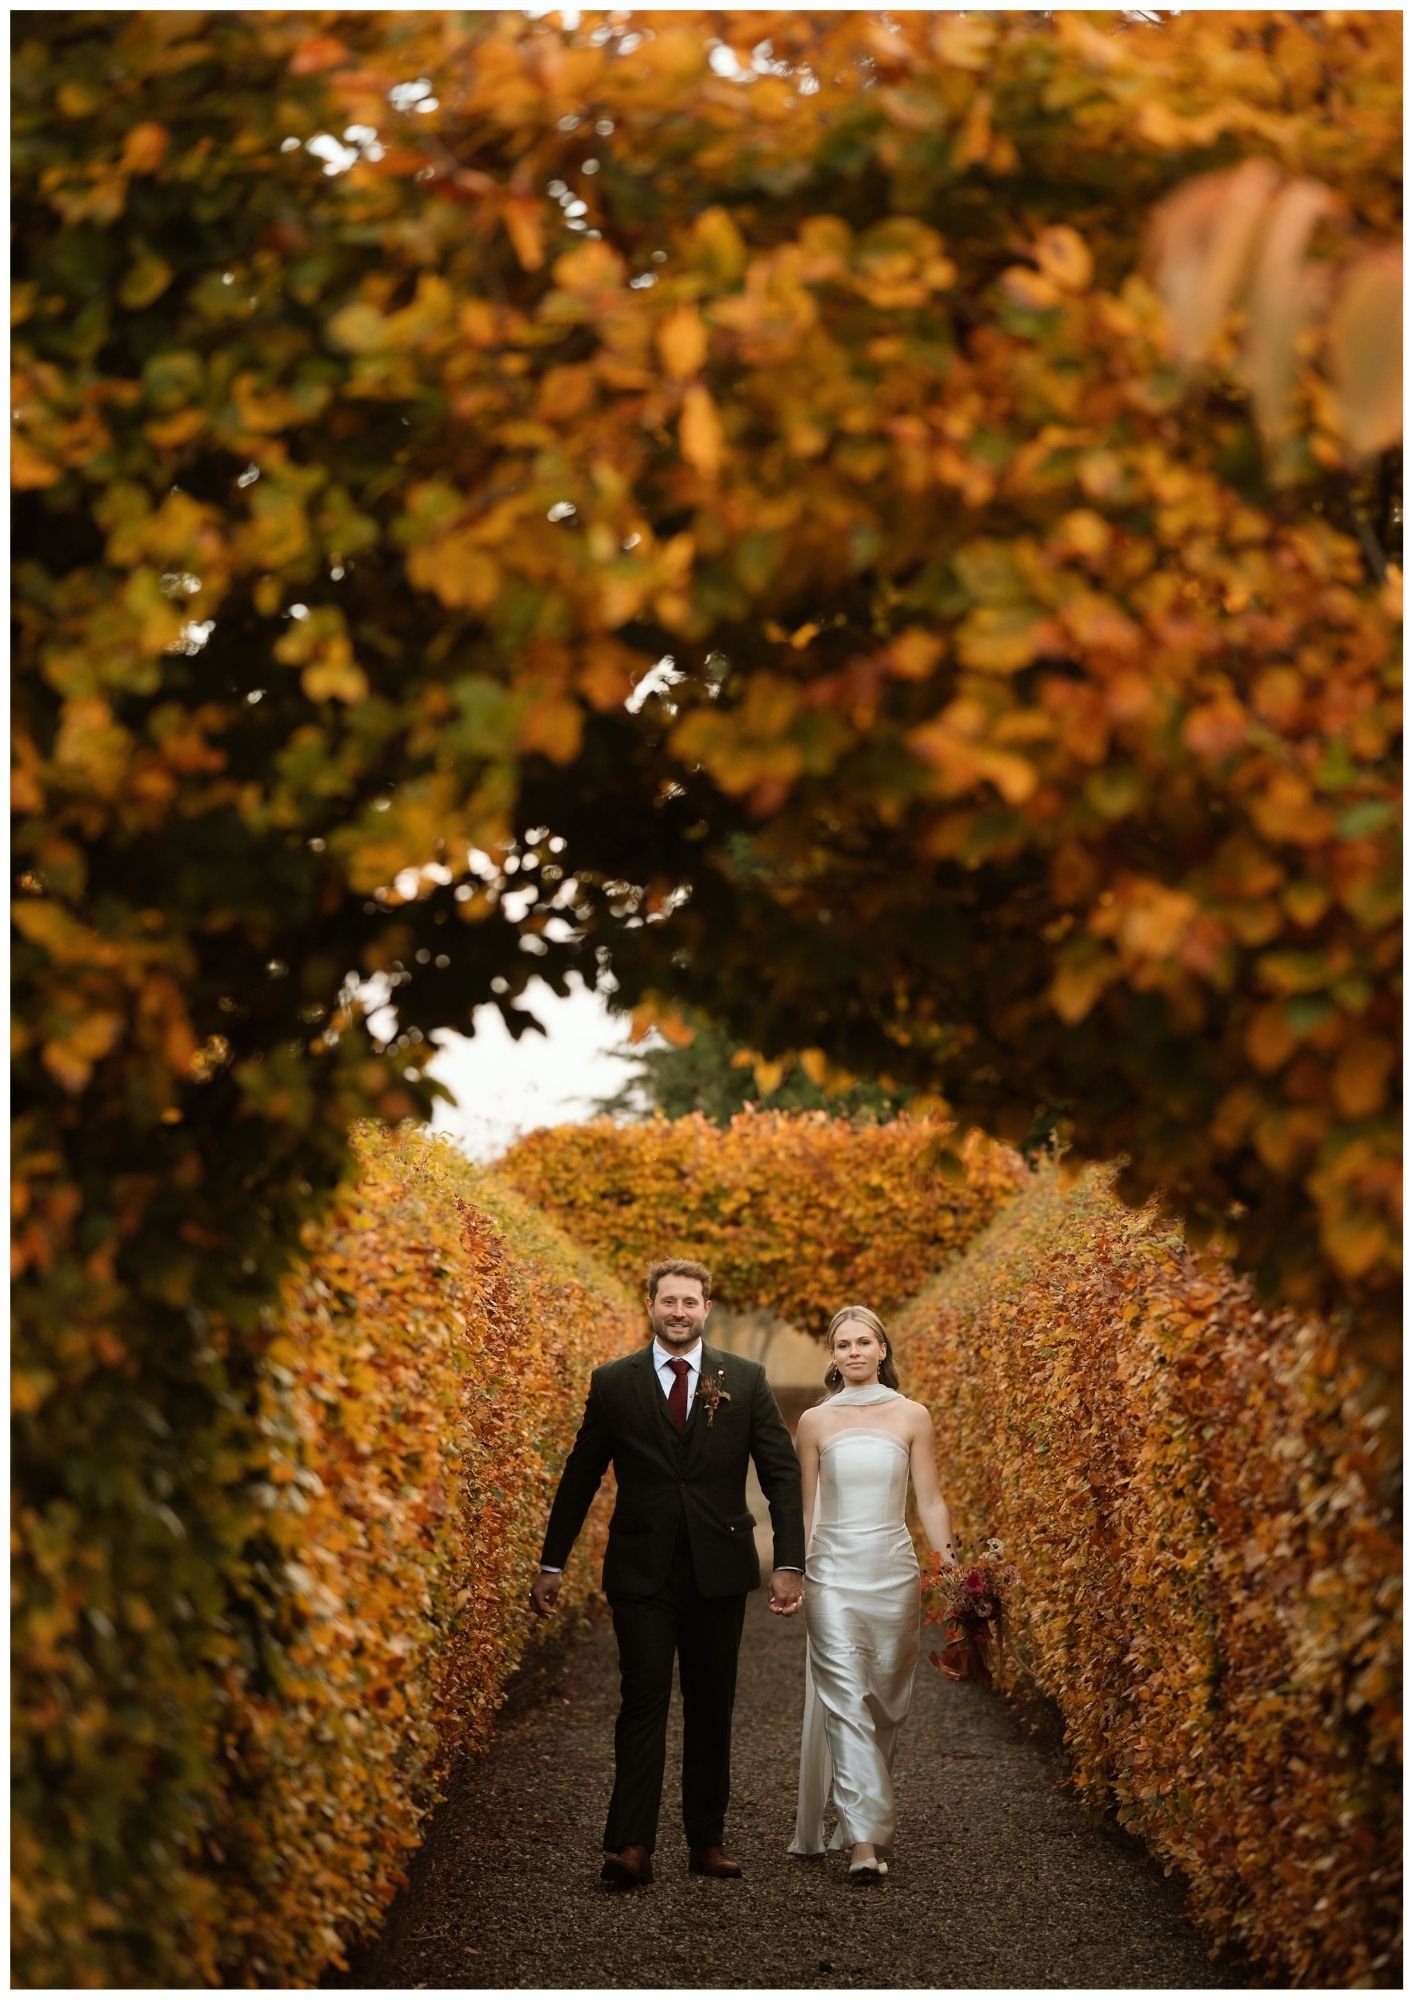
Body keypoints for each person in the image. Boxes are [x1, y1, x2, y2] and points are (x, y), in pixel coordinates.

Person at [531, 1257, 806, 1889]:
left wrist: (789, 1562)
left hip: (719, 1569)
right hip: (640, 1571)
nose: (678, 1312)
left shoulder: (745, 1379)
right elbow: (581, 1475)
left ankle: (707, 1841)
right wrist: (552, 1561)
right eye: (668, 1301)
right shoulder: (613, 1382)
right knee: (641, 1702)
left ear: (706, 1308)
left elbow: (781, 1475)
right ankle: (631, 1844)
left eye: (689, 1302)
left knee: (712, 1705)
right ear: (650, 1305)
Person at [788, 1304, 957, 1882]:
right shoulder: (815, 1421)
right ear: (833, 1357)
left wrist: (951, 1567)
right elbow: (806, 1508)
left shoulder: (912, 1415)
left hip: (892, 1572)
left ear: (882, 1350)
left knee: (886, 1701)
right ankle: (865, 1842)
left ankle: (861, 1809)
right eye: (844, 1344)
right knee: (843, 1697)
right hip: (832, 1572)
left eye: (863, 1342)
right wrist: (798, 1570)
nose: (854, 1351)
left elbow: (929, 1499)